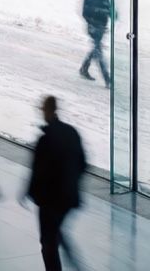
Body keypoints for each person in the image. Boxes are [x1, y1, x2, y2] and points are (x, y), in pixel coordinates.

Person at [28, 96, 87, 271]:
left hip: (49, 200)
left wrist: (32, 193)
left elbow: (38, 171)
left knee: (48, 242)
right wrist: (72, 183)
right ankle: (70, 258)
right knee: (54, 234)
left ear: (47, 111)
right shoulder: (71, 132)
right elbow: (82, 163)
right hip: (68, 197)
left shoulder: (45, 139)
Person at [79, 0, 113, 88]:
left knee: (96, 49)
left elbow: (110, 12)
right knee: (99, 51)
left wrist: (108, 14)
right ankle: (107, 79)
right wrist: (91, 22)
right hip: (93, 29)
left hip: (101, 29)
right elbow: (84, 13)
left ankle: (84, 68)